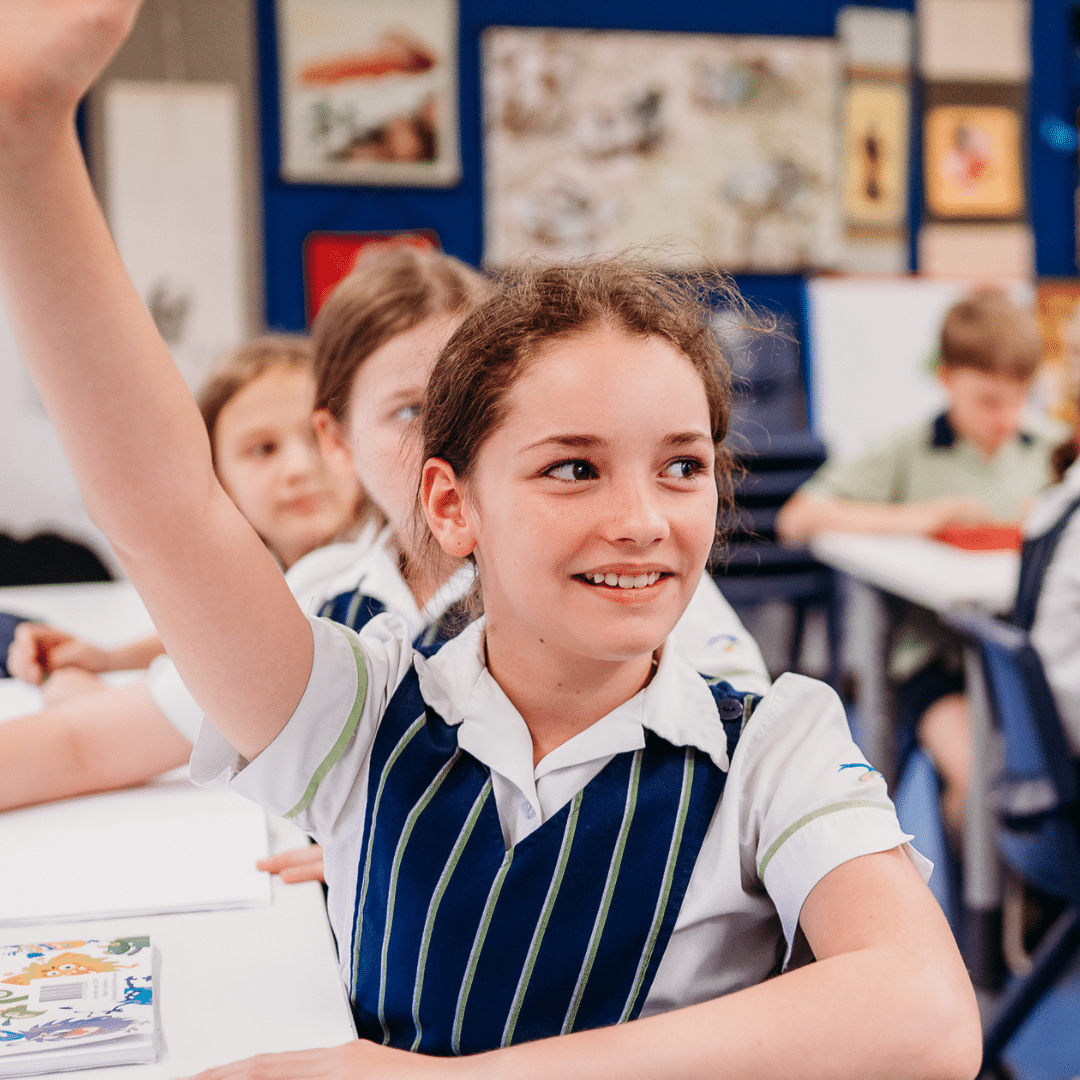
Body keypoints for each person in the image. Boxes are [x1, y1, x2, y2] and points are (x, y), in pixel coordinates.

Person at [0, 6, 979, 1077]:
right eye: (573, 466)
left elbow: (928, 1017)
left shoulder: (775, 744)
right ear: (451, 503)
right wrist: (30, 137)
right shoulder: (358, 712)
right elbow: (165, 511)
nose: (644, 520)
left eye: (682, 466)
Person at [776, 288, 1064, 836]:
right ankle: (984, 911)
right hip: (937, 662)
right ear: (948, 378)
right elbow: (798, 518)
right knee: (986, 783)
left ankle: (1030, 907)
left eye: (1018, 397)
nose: (1006, 417)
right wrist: (920, 518)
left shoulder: (1052, 448)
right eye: (987, 400)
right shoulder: (908, 448)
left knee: (1047, 779)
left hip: (1033, 661)